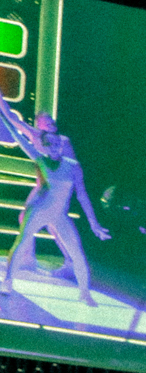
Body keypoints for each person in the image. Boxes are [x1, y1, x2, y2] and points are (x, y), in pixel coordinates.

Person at [0, 107, 109, 308]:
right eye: (49, 144)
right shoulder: (40, 159)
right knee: (22, 241)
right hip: (38, 210)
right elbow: (18, 136)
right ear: (44, 146)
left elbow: (82, 195)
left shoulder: (73, 166)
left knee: (77, 252)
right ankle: (8, 281)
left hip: (59, 215)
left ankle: (85, 293)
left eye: (56, 144)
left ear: (61, 145)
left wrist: (94, 223)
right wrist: (3, 117)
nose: (53, 147)